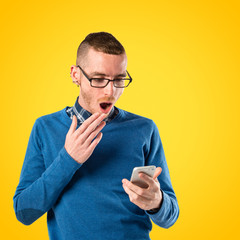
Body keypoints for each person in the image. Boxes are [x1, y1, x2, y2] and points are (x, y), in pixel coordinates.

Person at [13, 32, 179, 240]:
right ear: (76, 75)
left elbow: (170, 216)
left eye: (119, 79)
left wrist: (157, 202)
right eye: (99, 79)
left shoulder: (144, 129)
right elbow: (24, 212)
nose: (111, 91)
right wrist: (68, 158)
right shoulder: (45, 127)